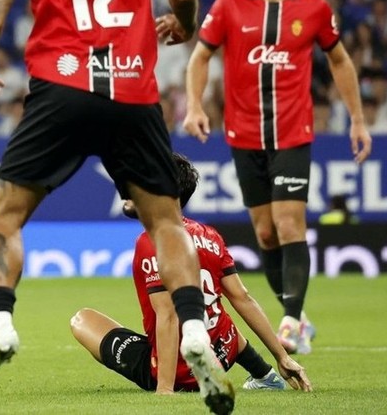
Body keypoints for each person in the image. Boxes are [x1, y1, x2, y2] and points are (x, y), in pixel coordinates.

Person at [0, 0, 234, 414]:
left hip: (59, 90)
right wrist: (183, 27)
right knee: (165, 223)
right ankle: (191, 331)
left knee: (3, 222)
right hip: (133, 89)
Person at [183, 0, 371, 355]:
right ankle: (298, 316)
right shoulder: (230, 5)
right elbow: (201, 55)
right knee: (266, 235)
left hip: (292, 133)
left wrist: (357, 119)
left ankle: (287, 322)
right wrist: (194, 105)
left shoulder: (317, 10)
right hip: (243, 135)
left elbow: (339, 61)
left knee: (289, 224)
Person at [70, 153, 312, 395]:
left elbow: (169, 315)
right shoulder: (210, 235)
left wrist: (165, 387)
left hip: (178, 371)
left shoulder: (151, 242)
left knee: (82, 320)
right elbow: (242, 298)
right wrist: (282, 356)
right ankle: (263, 373)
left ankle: (173, 380)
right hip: (220, 353)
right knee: (214, 307)